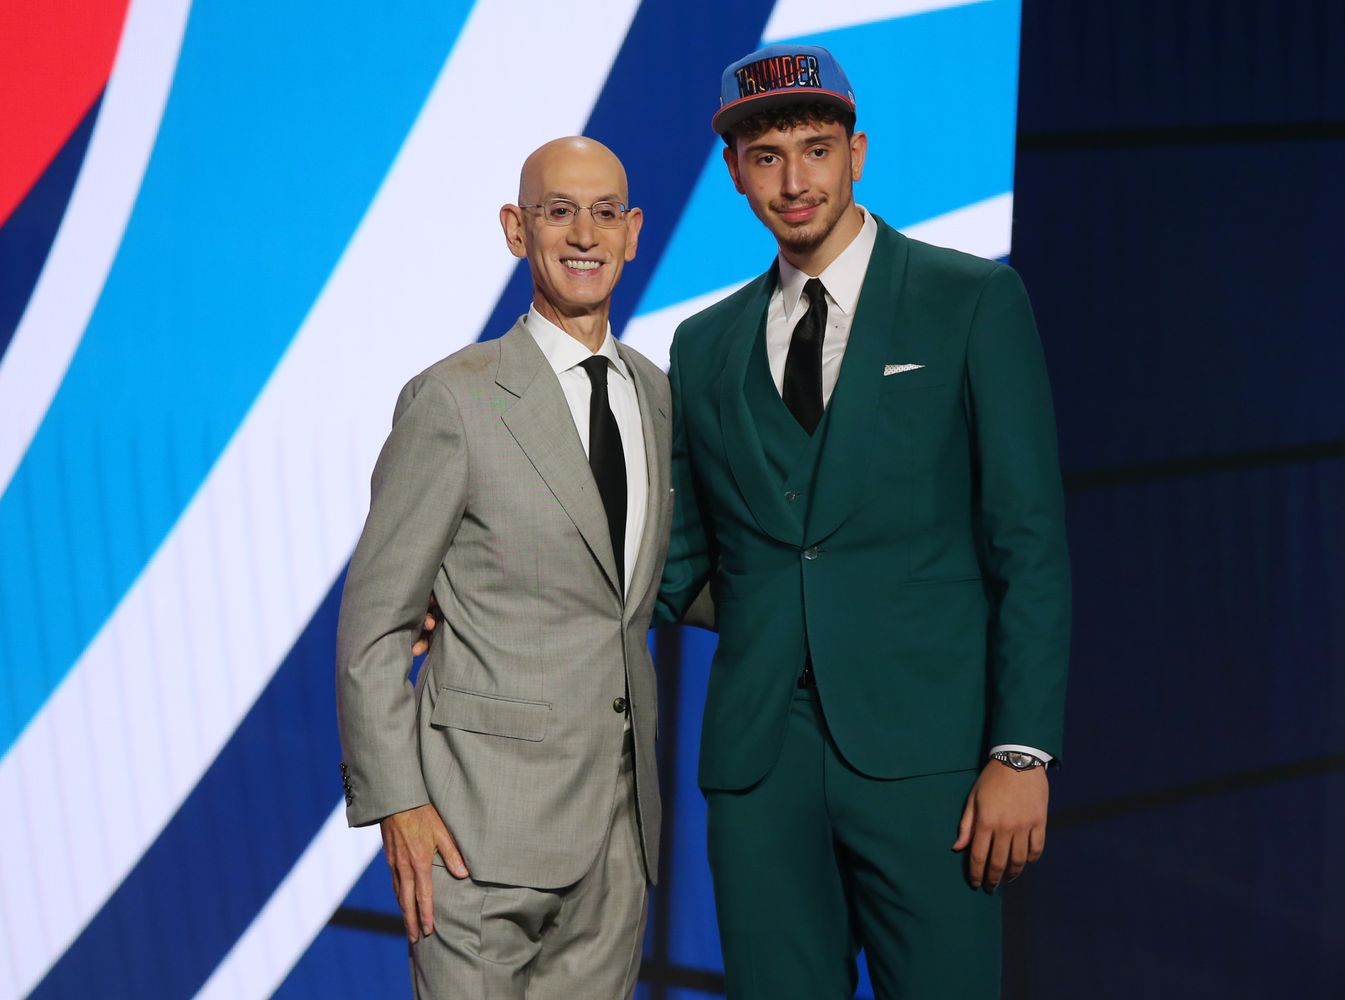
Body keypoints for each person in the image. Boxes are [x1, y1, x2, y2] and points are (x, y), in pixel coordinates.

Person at [654, 45, 1072, 997]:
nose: (795, 180)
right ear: (734, 173)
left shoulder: (970, 301)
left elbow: (1029, 545)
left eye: (815, 149)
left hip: (932, 762)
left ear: (858, 154)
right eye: (767, 157)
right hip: (762, 769)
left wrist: (1021, 751)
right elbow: (676, 560)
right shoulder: (704, 343)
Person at [336, 136, 671, 999]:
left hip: (617, 843)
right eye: (559, 211)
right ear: (517, 231)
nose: (585, 234)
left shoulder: (658, 395)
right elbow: (375, 625)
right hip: (473, 835)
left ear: (633, 233)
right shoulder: (453, 398)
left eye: (605, 213)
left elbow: (648, 581)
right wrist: (397, 803)